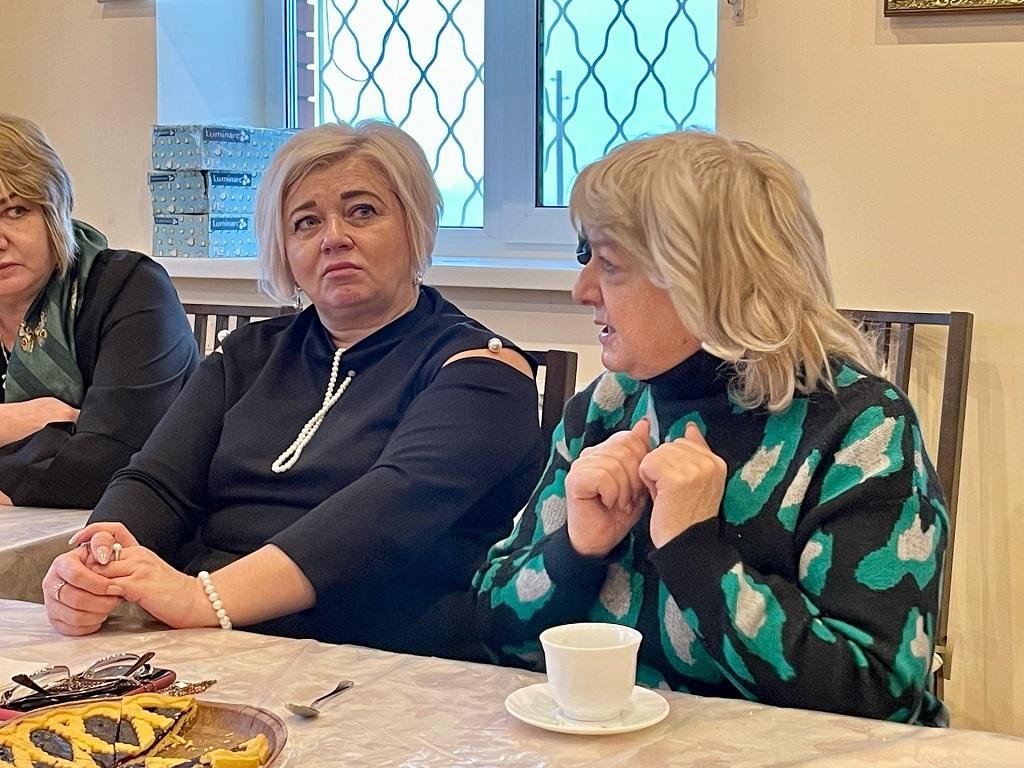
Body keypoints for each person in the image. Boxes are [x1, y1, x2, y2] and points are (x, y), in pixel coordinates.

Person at [475, 131, 948, 725]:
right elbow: (492, 630)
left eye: (611, 265)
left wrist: (693, 550)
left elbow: (879, 697)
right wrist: (576, 549)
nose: (581, 290)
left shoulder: (860, 428)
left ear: (709, 283)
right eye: (584, 257)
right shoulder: (607, 407)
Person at [43, 121, 545, 660]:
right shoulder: (245, 355)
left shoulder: (483, 370)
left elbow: (386, 514)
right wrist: (96, 562)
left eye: (363, 211)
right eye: (306, 222)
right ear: (284, 249)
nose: (334, 237)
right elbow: (157, 482)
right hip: (204, 642)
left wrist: (203, 598)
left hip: (378, 657)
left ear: (415, 226)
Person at [0, 114, 199, 508]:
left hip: (147, 529)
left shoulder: (133, 289)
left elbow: (107, 464)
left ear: (55, 209)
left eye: (15, 211)